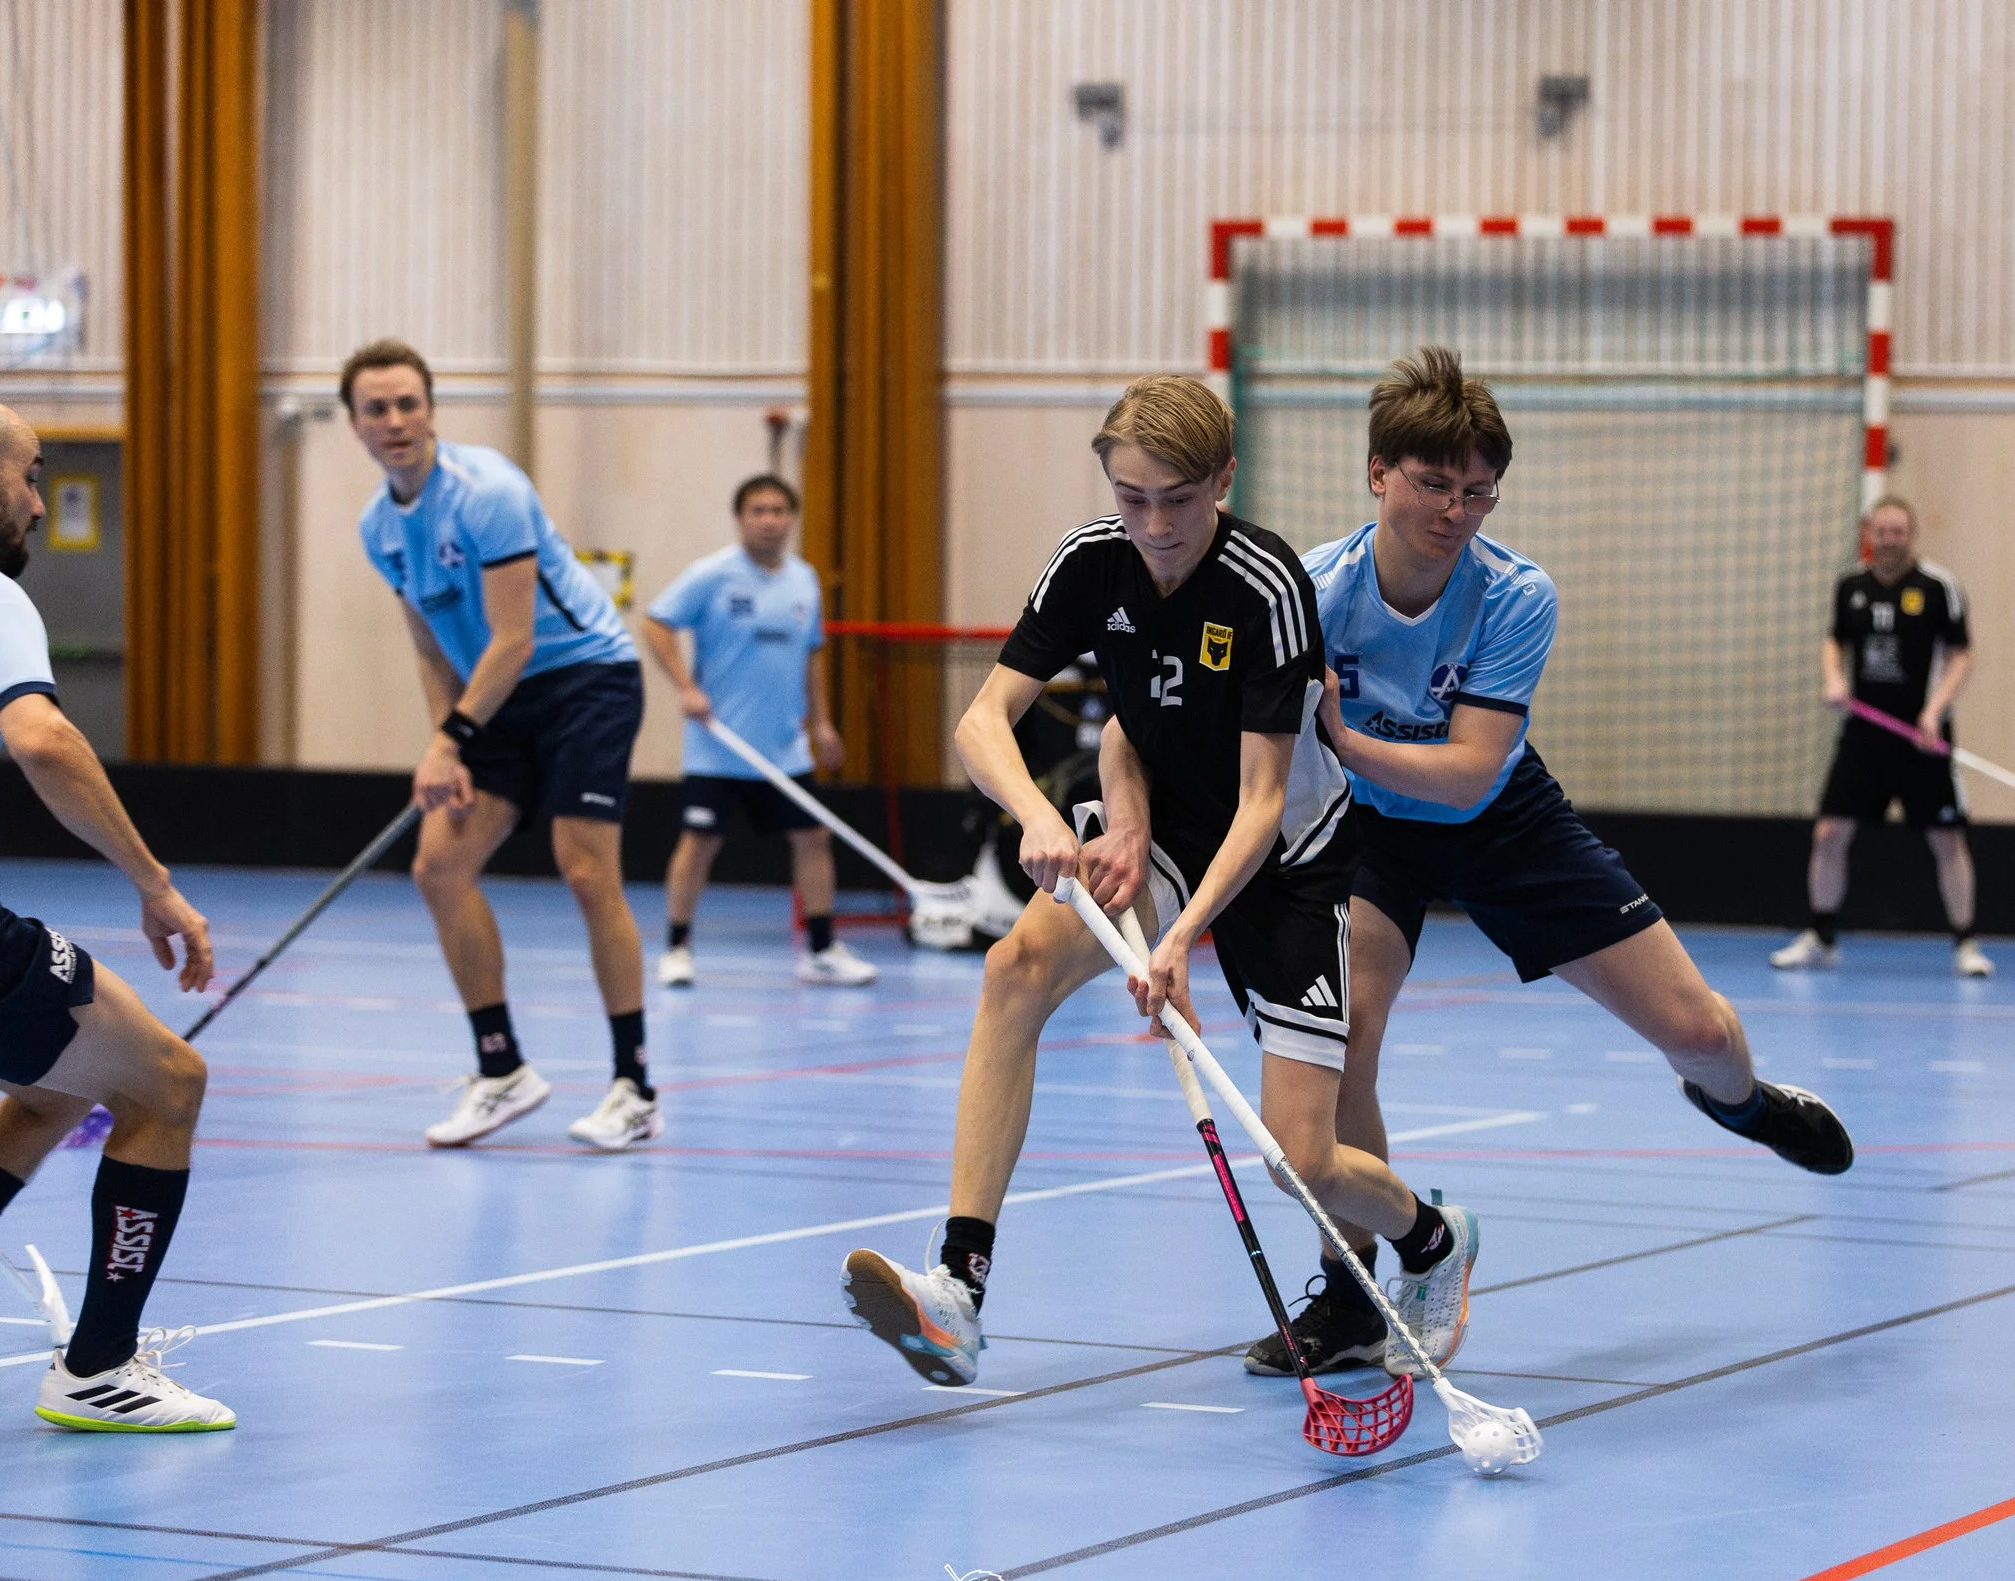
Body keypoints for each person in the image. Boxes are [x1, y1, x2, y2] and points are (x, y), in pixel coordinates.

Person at [839, 374, 1474, 1388]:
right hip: (1169, 830)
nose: (1155, 522)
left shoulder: (1266, 586)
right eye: (1132, 497)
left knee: (1298, 1160)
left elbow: (1265, 800)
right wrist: (1056, 817)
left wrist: (1177, 942)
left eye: (1177, 498)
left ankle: (1433, 1236)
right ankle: (957, 1287)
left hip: (1290, 861)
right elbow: (986, 724)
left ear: (1222, 479)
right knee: (1014, 970)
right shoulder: (1094, 561)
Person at [1272, 348, 1853, 1378]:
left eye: (1477, 490)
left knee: (1700, 1030)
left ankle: (1743, 1103)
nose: (1455, 510)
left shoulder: (1514, 592)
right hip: (1369, 836)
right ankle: (1354, 1290)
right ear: (1376, 472)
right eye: (1432, 483)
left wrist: (1343, 734)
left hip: (1499, 817)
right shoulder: (1313, 591)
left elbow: (1465, 771)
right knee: (1344, 1040)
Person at [0, 395, 231, 1431]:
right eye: (29, 475)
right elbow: (42, 738)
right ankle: (100, 1363)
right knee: (168, 1081)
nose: (37, 501)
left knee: (47, 1091)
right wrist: (154, 882)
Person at [341, 339, 662, 1151]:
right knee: (438, 866)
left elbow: (514, 639)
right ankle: (502, 1068)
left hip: (584, 677)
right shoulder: (379, 527)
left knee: (587, 868)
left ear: (431, 408)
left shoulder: (487, 492)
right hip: (492, 701)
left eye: (408, 403)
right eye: (376, 408)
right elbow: (430, 646)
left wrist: (451, 738)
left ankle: (635, 1084)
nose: (395, 420)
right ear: (354, 424)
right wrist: (444, 743)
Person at [641, 474, 875, 988]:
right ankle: (677, 947)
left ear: (791, 518)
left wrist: (823, 722)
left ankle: (819, 950)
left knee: (813, 838)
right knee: (699, 842)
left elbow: (812, 655)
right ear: (740, 518)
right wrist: (685, 686)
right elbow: (656, 623)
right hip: (718, 745)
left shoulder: (804, 580)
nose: (769, 520)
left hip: (783, 747)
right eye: (758, 510)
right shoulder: (711, 575)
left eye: (778, 510)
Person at [1769, 497, 1991, 977]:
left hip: (1922, 739)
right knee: (1829, 833)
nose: (1890, 539)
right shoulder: (1850, 585)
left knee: (1947, 840)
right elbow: (1835, 640)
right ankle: (1821, 937)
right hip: (1865, 736)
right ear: (1869, 532)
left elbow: (1961, 655)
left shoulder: (1939, 587)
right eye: (1882, 531)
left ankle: (1966, 944)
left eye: (1899, 531)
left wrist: (1935, 711)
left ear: (1912, 534)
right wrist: (1834, 679)